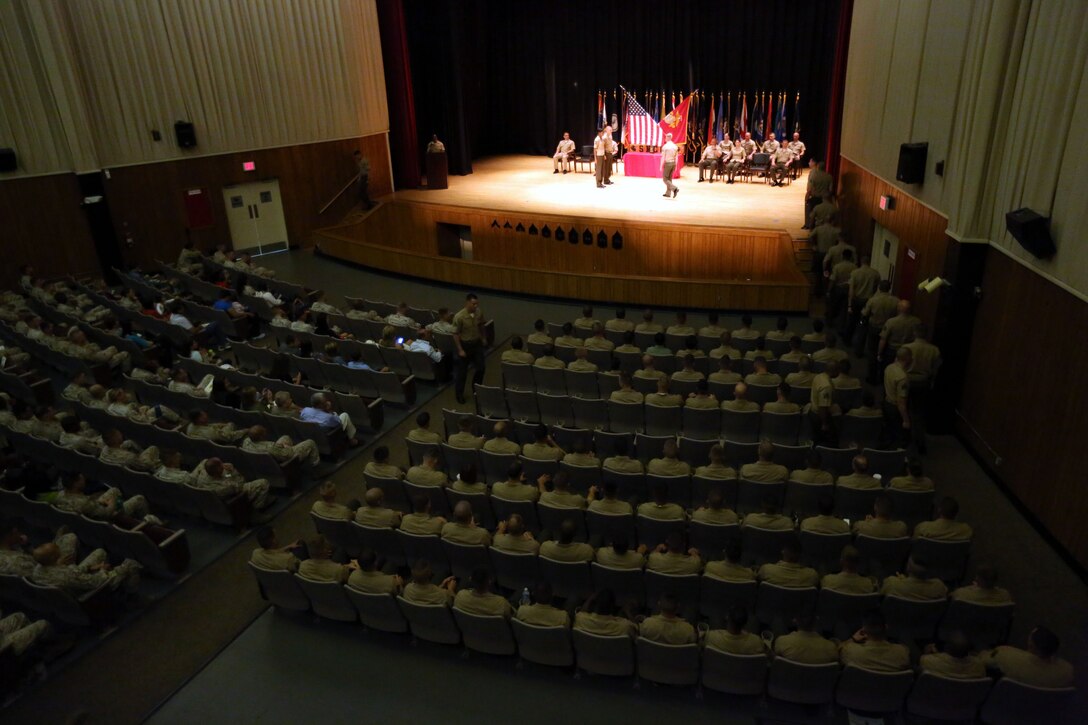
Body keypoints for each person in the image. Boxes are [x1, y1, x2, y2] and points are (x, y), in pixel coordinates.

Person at [983, 626, 1074, 687]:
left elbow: (985, 660)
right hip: (1042, 712)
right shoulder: (1067, 672)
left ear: (1031, 645)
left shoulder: (1006, 654)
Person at [839, 611, 911, 672]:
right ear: (886, 627)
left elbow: (838, 651)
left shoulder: (851, 651)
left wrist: (853, 639)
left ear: (863, 629)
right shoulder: (902, 653)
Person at [452, 293, 485, 404]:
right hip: (465, 345)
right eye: (473, 304)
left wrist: (483, 337)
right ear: (467, 303)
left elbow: (481, 324)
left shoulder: (479, 312)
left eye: (477, 304)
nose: (475, 306)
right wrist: (460, 349)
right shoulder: (459, 317)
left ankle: (477, 390)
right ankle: (459, 394)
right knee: (462, 373)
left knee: (481, 368)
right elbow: (456, 334)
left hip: (476, 344)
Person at [920, 632, 986, 679]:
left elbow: (924, 663)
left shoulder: (929, 661)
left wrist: (929, 654)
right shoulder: (979, 667)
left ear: (946, 647)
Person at [883, 346, 913, 448]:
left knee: (888, 431)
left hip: (886, 403)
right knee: (899, 437)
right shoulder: (902, 378)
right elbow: (901, 403)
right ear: (907, 358)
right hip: (895, 409)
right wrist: (906, 420)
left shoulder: (889, 367)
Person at [881, 557, 948, 600]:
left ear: (908, 567)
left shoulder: (892, 584)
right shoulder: (939, 587)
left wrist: (902, 580)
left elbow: (881, 595)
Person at [804, 159, 833, 229]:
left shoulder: (814, 176)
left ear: (818, 167)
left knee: (810, 212)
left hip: (814, 198)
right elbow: (830, 190)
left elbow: (809, 189)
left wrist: (807, 197)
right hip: (824, 199)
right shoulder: (829, 177)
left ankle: (809, 226)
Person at [660, 132, 679, 198]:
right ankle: (668, 193)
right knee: (669, 179)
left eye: (666, 137)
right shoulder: (675, 146)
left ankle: (675, 188)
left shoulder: (665, 147)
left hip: (668, 163)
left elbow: (663, 157)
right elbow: (676, 157)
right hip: (673, 163)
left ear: (668, 138)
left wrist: (661, 166)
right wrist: (676, 165)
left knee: (665, 179)